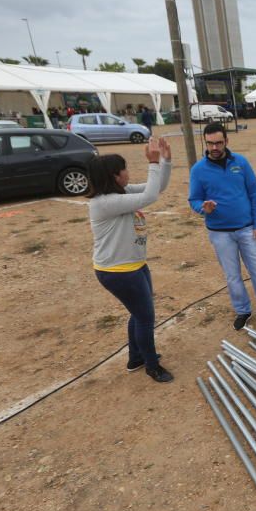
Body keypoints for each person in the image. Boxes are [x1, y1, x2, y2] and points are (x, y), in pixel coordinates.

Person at [88, 138, 174, 383]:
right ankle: (151, 365)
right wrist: (153, 161)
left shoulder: (120, 194)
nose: (128, 172)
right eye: (124, 169)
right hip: (118, 272)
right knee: (145, 317)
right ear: (115, 176)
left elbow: (157, 188)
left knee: (139, 314)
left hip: (133, 266)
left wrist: (165, 160)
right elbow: (150, 197)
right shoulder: (105, 203)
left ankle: (136, 357)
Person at [189, 122, 256, 330]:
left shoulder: (241, 163)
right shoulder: (198, 170)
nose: (215, 148)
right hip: (220, 234)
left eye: (219, 143)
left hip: (247, 229)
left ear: (226, 141)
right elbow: (194, 199)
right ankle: (242, 311)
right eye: (210, 144)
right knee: (233, 275)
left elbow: (254, 194)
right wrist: (203, 208)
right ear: (206, 143)